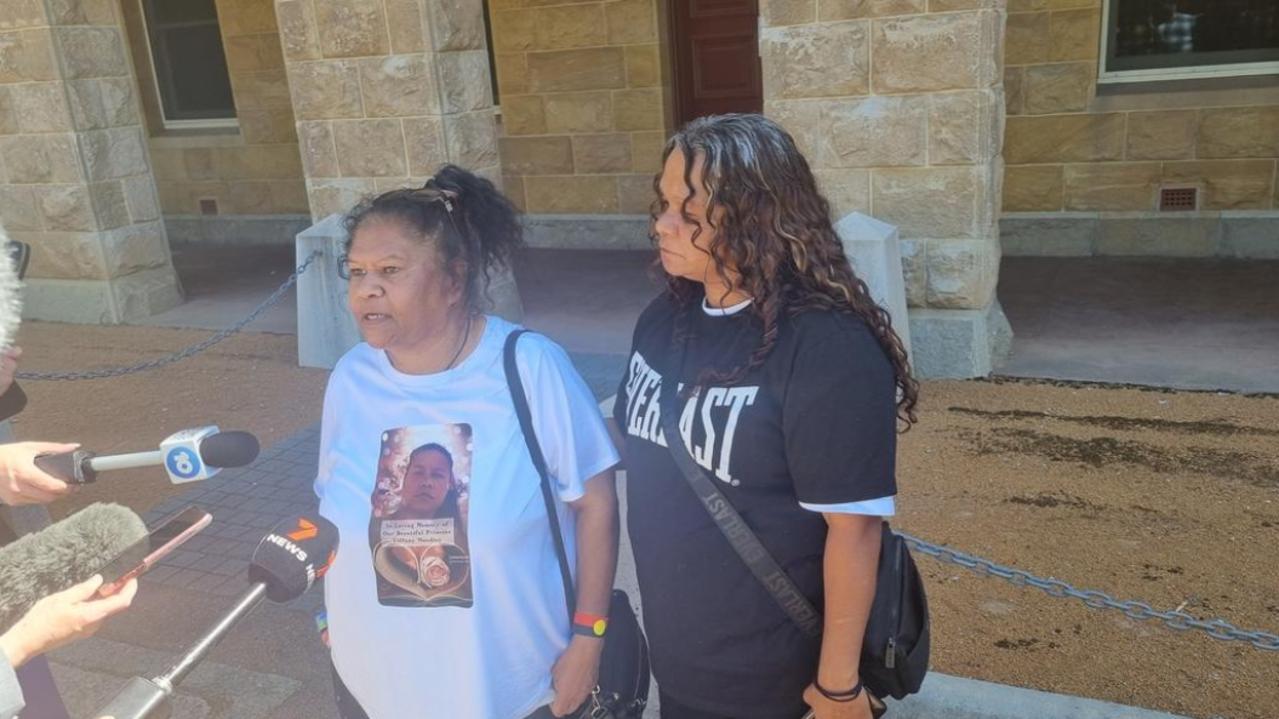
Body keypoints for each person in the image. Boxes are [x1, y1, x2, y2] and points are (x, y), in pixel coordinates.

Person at [612, 114, 918, 719]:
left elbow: (853, 529)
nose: (662, 224)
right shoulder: (663, 319)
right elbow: (632, 439)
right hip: (677, 654)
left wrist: (836, 688)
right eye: (665, 203)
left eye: (690, 213)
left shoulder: (826, 346)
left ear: (755, 218)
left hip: (776, 677)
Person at [315, 165, 620, 719]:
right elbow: (333, 505)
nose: (368, 289)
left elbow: (595, 504)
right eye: (356, 272)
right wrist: (328, 615)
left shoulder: (527, 367)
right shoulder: (350, 378)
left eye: (390, 270)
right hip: (372, 686)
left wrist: (589, 639)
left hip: (512, 689)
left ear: (454, 280)